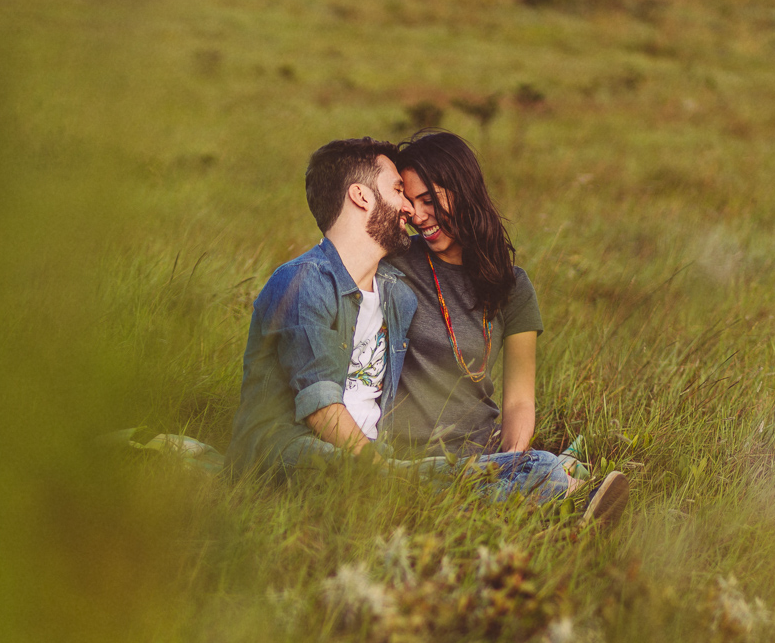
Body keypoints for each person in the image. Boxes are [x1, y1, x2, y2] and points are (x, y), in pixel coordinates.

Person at [385, 130, 629, 524]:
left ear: (464, 191)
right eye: (410, 203)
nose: (418, 216)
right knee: (542, 471)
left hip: (480, 456)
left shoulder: (513, 287)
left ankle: (536, 492)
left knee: (525, 470)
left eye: (429, 200)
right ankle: (563, 493)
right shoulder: (394, 261)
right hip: (406, 456)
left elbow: (518, 401)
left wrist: (513, 459)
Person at [226, 137, 416, 480]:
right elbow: (321, 406)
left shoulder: (398, 295)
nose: (410, 208)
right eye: (398, 190)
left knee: (500, 471)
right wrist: (383, 474)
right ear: (361, 196)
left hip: (370, 454)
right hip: (287, 450)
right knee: (401, 483)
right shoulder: (303, 281)